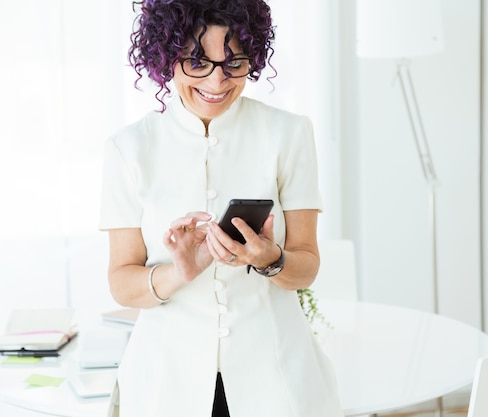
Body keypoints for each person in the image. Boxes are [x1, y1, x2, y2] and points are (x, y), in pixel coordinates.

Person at [98, 0, 344, 416]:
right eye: (197, 61)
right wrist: (179, 272)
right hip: (166, 385)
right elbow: (122, 281)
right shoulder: (128, 148)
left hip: (276, 378)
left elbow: (307, 265)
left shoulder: (289, 134)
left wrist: (270, 259)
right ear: (166, 55)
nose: (217, 80)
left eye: (234, 63)